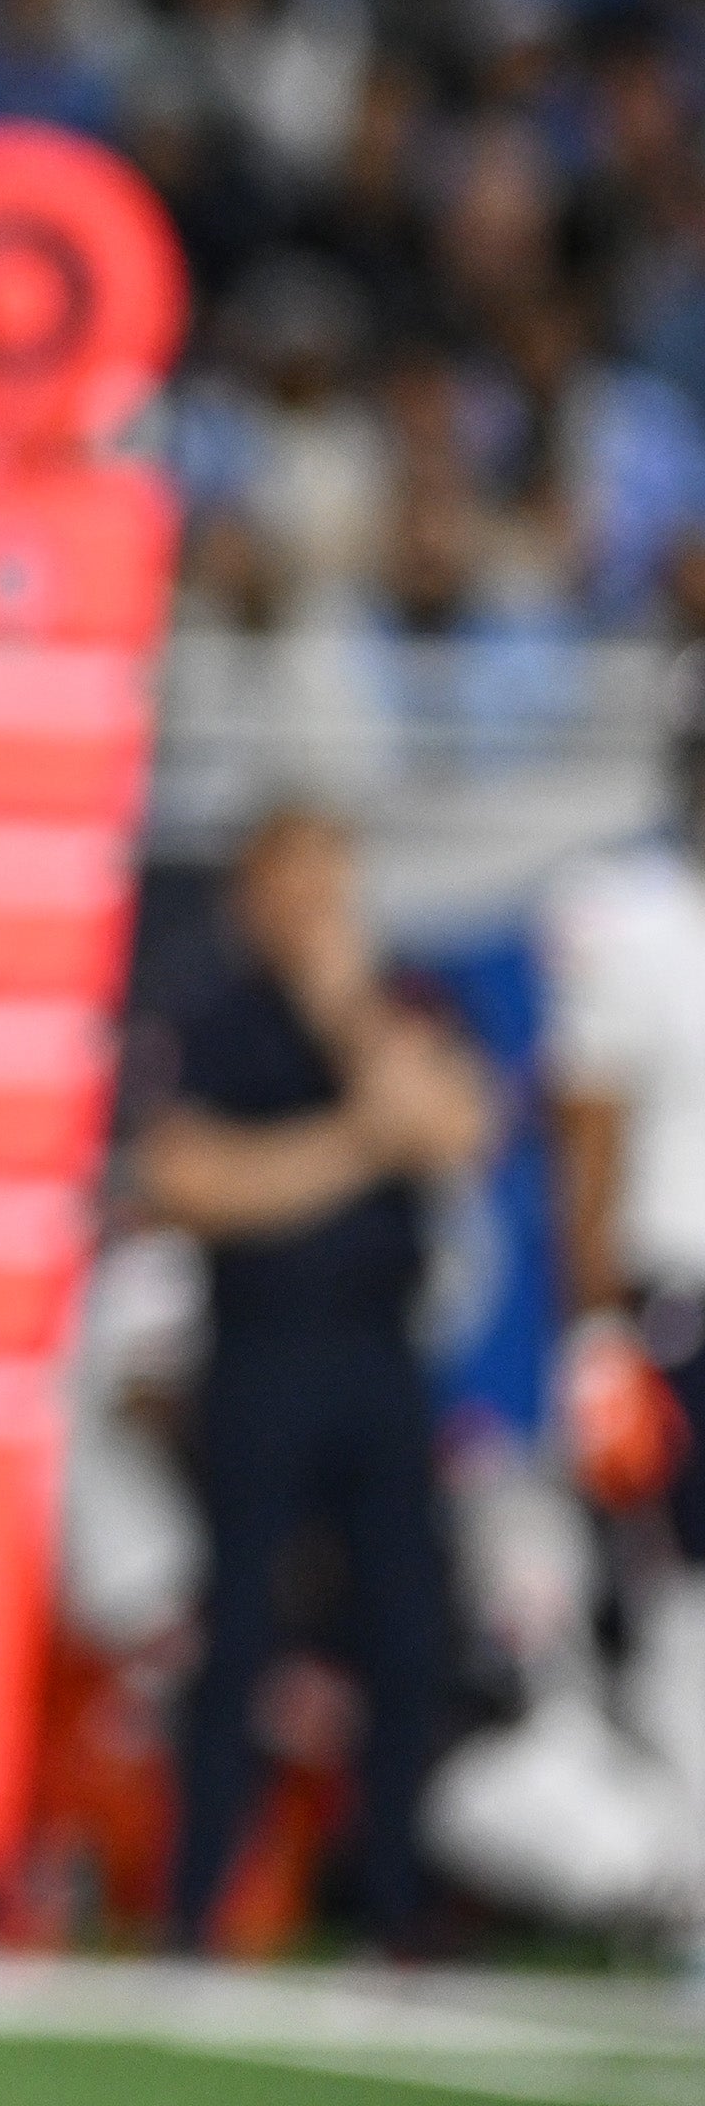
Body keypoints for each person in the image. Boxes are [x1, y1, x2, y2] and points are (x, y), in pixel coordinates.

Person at [134, 803, 493, 1952]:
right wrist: (360, 1141)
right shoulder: (212, 1014)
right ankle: (199, 1899)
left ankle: (393, 1895)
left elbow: (457, 1129)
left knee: (407, 1631)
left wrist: (350, 1018)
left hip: (380, 1350)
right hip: (260, 1349)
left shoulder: (401, 1002)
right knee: (237, 1631)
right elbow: (194, 1182)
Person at [542, 651, 705, 1829]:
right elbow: (588, 1144)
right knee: (682, 1590)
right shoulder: (630, 917)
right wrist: (595, 1334)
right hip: (680, 1296)